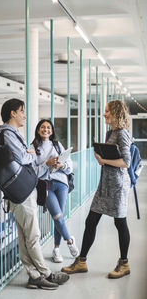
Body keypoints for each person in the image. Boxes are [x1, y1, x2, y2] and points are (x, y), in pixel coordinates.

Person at [0, 99, 69, 290]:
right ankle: (46, 274)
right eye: (22, 111)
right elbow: (24, 157)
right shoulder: (8, 133)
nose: (24, 115)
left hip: (19, 190)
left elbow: (24, 157)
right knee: (33, 236)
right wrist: (32, 153)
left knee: (24, 237)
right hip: (21, 192)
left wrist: (29, 153)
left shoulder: (10, 134)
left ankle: (34, 275)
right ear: (13, 113)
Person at [61, 100, 132, 279]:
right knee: (91, 220)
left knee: (120, 222)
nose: (104, 114)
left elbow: (126, 162)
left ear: (115, 112)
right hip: (105, 184)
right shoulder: (111, 132)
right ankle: (81, 261)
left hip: (117, 185)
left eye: (107, 111)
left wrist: (103, 160)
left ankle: (124, 264)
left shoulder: (122, 134)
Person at [31, 119, 79, 263]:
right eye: (42, 127)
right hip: (46, 185)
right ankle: (70, 241)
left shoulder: (57, 145)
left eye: (48, 127)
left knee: (60, 218)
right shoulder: (33, 147)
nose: (46, 129)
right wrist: (46, 164)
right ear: (38, 130)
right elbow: (33, 172)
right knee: (57, 216)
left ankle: (56, 249)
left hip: (62, 183)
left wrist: (62, 165)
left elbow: (69, 165)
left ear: (51, 130)